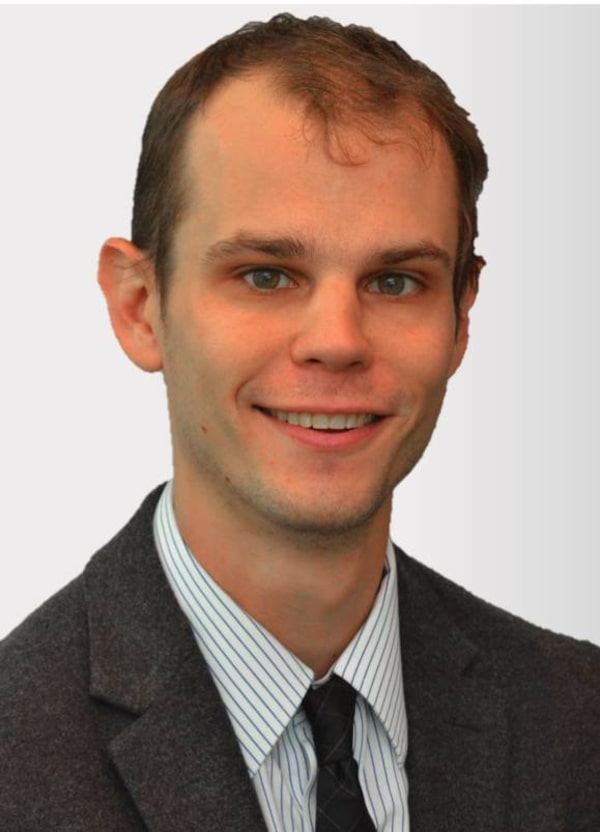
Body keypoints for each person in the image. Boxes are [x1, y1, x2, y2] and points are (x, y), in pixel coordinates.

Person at [1, 12, 598, 831]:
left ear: (462, 317)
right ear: (140, 308)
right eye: (266, 275)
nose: (337, 341)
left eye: (395, 282)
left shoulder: (579, 726)